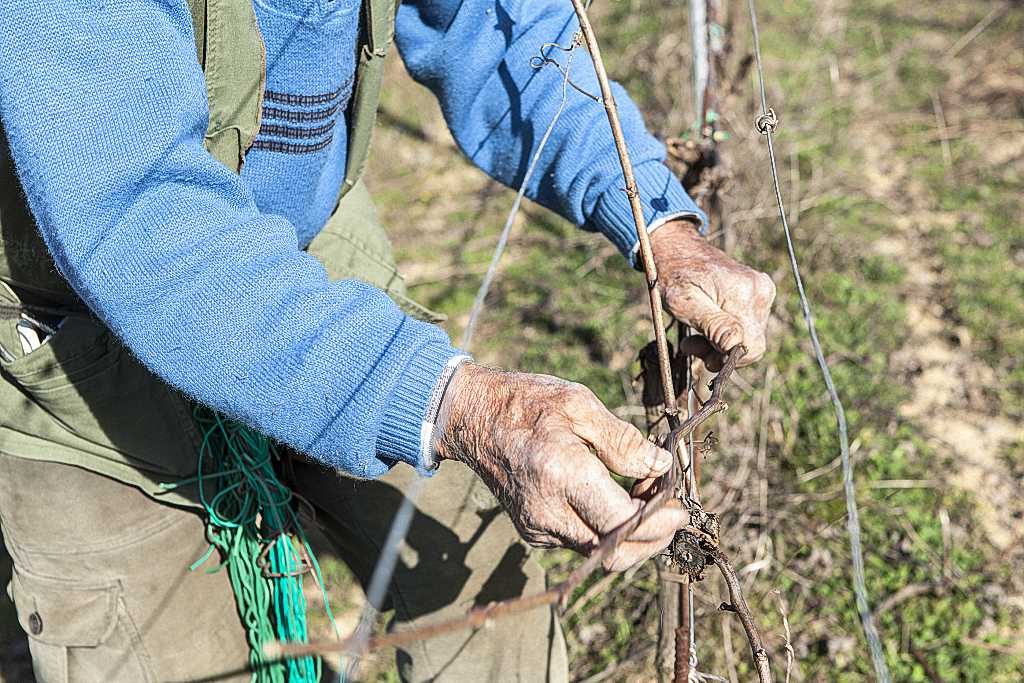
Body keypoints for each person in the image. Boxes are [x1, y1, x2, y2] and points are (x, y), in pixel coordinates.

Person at [0, 0, 775, 680]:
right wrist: (449, 401)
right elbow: (140, 216)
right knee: (176, 653)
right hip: (71, 311)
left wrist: (657, 220)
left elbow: (499, 23)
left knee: (487, 598)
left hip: (296, 225)